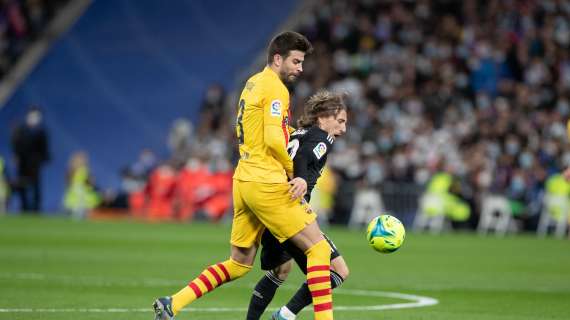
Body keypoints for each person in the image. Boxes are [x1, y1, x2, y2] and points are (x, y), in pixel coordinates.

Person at [153, 31, 336, 320]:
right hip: (267, 180)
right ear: (278, 58)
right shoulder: (276, 88)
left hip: (243, 179)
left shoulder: (252, 83)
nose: (300, 69)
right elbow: (275, 140)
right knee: (319, 250)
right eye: (296, 61)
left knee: (238, 264)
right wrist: (293, 173)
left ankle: (172, 303)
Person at [246, 90, 349, 320]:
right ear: (323, 117)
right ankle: (285, 315)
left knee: (282, 269)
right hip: (290, 209)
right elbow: (302, 158)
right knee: (338, 270)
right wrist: (301, 179)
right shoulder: (323, 138)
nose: (343, 129)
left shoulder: (301, 133)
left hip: (273, 207)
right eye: (340, 121)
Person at [10, 106, 50, 212]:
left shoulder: (41, 131)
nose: (35, 117)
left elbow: (44, 148)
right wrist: (17, 156)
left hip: (35, 162)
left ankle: (36, 208)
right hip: (23, 162)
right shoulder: (20, 129)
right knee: (22, 184)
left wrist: (44, 159)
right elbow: (16, 144)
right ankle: (24, 207)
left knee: (36, 185)